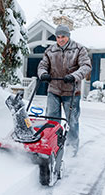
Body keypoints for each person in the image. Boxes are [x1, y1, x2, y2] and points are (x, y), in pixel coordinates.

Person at [37, 24, 92, 156]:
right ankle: (52, 146)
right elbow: (42, 65)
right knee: (52, 120)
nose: (61, 39)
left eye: (63, 37)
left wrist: (74, 76)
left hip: (72, 91)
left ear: (68, 36)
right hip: (54, 89)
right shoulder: (50, 50)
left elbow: (86, 66)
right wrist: (43, 73)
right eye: (58, 37)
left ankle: (72, 150)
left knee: (71, 121)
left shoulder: (79, 49)